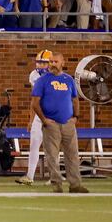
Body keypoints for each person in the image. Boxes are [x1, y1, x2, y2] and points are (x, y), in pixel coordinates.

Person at [32, 51, 88, 193]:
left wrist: (76, 117)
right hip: (51, 124)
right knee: (52, 156)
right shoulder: (42, 80)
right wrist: (44, 120)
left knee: (73, 155)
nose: (52, 64)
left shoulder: (68, 80)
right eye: (50, 62)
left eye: (55, 62)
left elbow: (75, 100)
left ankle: (75, 185)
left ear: (63, 63)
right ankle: (56, 186)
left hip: (68, 123)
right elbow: (35, 103)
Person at [16, 49, 53, 185]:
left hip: (52, 115)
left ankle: (53, 177)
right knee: (34, 145)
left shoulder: (57, 76)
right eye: (39, 63)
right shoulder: (34, 75)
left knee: (51, 148)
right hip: (39, 115)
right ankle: (30, 176)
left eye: (44, 63)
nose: (40, 66)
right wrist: (31, 120)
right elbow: (34, 100)